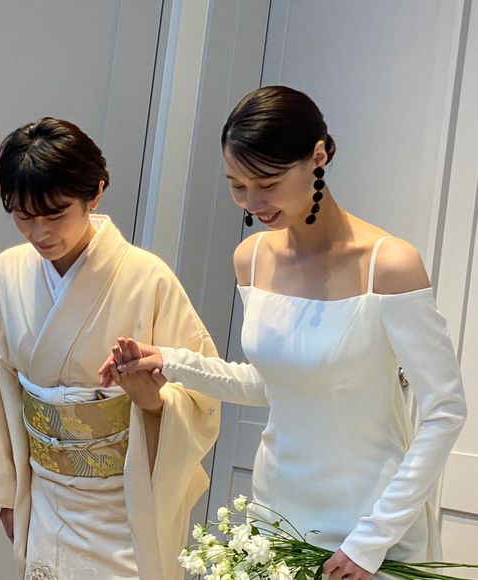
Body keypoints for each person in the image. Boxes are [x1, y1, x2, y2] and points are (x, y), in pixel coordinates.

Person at [99, 86, 467, 579]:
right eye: (237, 185)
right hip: (277, 516)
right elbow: (273, 383)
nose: (253, 202)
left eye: (267, 182)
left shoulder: (389, 264)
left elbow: (446, 410)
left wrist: (372, 539)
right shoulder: (252, 259)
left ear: (318, 156)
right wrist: (168, 361)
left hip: (368, 526)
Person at [0, 117, 220, 580]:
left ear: (94, 194)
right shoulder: (6, 273)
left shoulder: (147, 278)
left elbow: (202, 395)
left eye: (55, 214)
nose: (39, 234)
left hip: (124, 503)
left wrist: (152, 400)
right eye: (24, 216)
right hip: (45, 495)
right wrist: (8, 494)